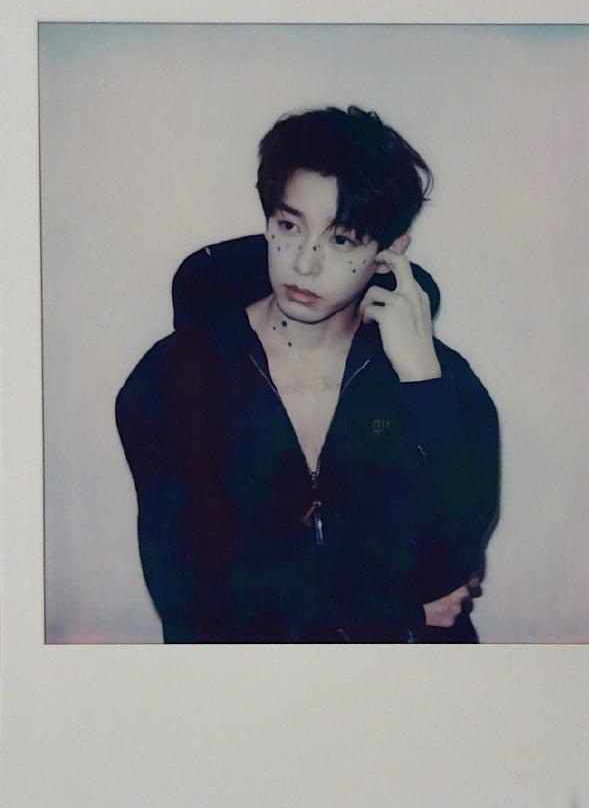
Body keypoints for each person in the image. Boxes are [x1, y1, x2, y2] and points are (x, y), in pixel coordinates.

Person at [115, 105, 499, 643]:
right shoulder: (175, 377)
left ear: (389, 252)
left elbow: (451, 572)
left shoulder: (440, 380)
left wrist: (422, 386)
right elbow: (194, 596)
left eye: (341, 239)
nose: (304, 264)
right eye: (290, 226)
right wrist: (394, 610)